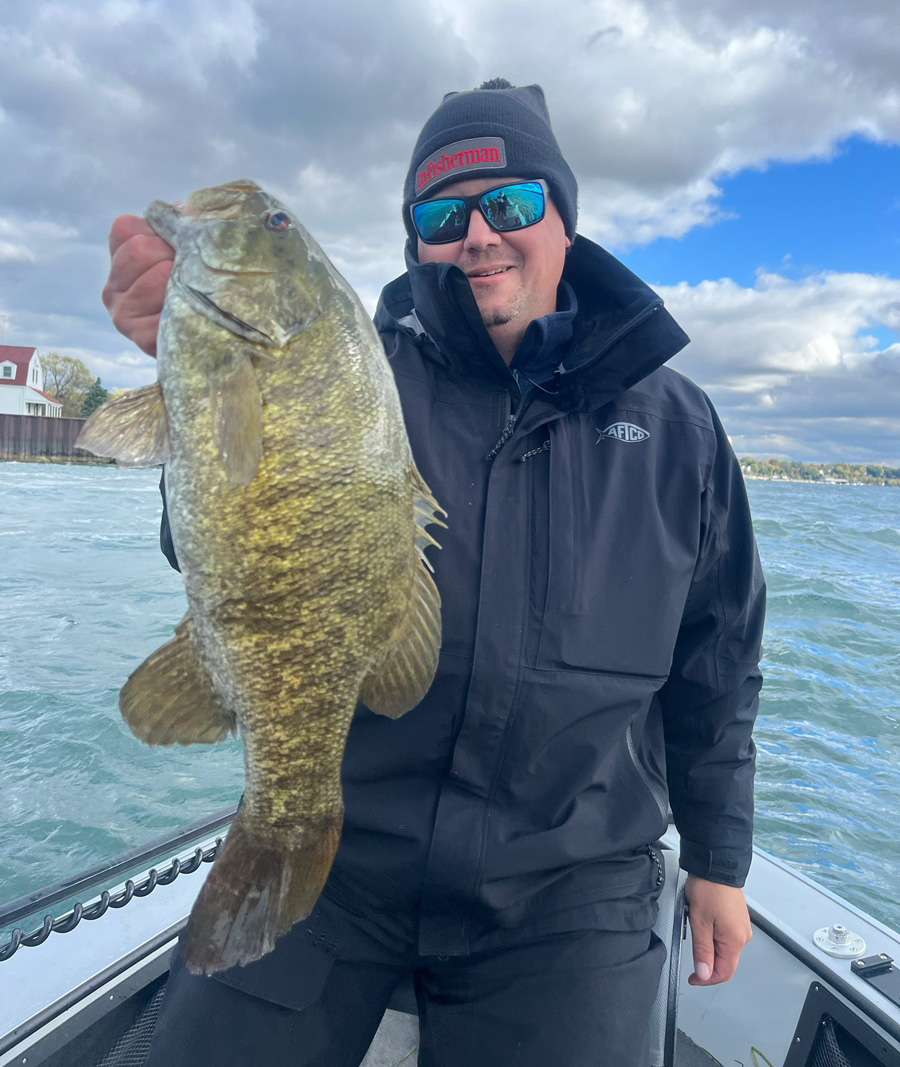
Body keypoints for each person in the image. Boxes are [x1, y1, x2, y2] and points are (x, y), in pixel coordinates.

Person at [102, 80, 765, 1067]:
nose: (480, 234)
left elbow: (718, 661)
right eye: (444, 214)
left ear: (564, 221)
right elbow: (225, 537)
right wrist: (204, 386)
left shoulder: (681, 433)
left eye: (513, 203)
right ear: (416, 241)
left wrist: (719, 861)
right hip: (343, 852)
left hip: (570, 882)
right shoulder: (340, 367)